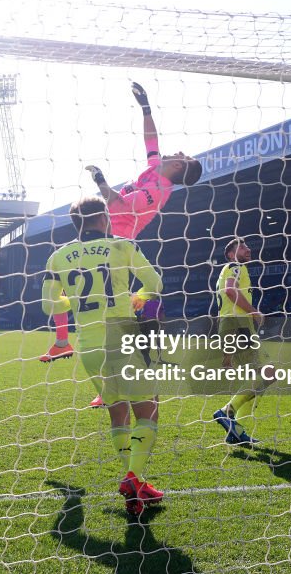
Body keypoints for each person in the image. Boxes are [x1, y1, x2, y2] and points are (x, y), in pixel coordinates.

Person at [43, 83, 203, 407]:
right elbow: (151, 140)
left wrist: (100, 181)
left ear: (178, 168)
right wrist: (145, 107)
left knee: (103, 309)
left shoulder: (157, 190)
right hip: (101, 237)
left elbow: (115, 205)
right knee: (71, 288)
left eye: (181, 156)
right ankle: (66, 344)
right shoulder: (154, 170)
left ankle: (130, 371)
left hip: (115, 241)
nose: (175, 152)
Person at [42, 196, 165, 514]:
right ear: (104, 218)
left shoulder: (58, 256)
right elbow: (155, 283)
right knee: (149, 411)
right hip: (122, 340)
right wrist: (137, 297)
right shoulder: (122, 245)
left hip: (90, 348)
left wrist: (78, 302)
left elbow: (49, 306)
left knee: (118, 413)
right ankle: (133, 477)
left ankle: (136, 485)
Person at [211, 238, 269, 446]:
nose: (248, 248)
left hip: (235, 325)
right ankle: (228, 413)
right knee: (266, 374)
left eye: (247, 245)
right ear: (230, 253)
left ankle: (234, 429)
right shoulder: (235, 267)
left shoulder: (230, 268)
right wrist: (254, 312)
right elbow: (230, 290)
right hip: (239, 325)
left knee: (259, 377)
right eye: (242, 246)